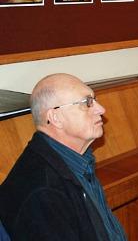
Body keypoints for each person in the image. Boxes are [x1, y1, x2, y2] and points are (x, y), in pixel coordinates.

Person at [0, 73, 127, 240]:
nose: (101, 109)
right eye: (87, 102)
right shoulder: (42, 192)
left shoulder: (77, 160)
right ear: (55, 118)